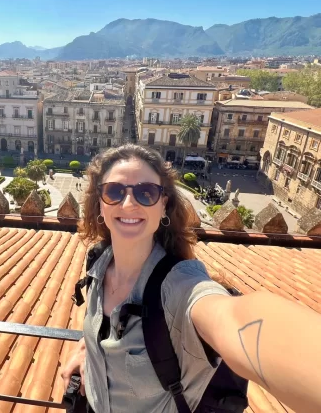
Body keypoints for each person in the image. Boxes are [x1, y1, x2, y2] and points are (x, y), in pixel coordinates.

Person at [61, 144, 321, 413]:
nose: (128, 203)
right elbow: (102, 326)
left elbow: (231, 318)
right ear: (100, 204)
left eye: (146, 193)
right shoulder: (98, 262)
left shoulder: (180, 287)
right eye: (114, 191)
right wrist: (87, 350)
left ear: (163, 205)